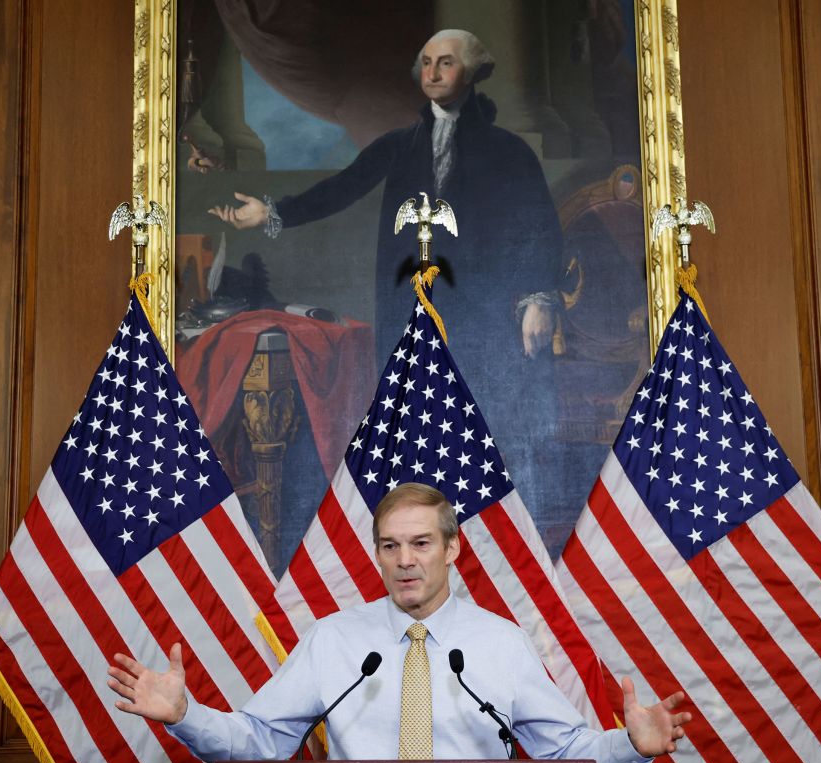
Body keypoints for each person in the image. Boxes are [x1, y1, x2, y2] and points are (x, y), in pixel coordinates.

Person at [209, 29, 566, 528]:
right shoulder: (400, 146)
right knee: (411, 433)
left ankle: (490, 544)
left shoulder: (509, 152)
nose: (433, 73)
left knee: (481, 430)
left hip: (481, 316)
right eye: (425, 62)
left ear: (473, 72)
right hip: (410, 313)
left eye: (446, 63)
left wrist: (539, 299)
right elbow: (340, 189)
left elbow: (538, 227)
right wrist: (270, 214)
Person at [109, 484, 691, 763]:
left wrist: (632, 748)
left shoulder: (501, 642)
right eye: (391, 546)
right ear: (377, 555)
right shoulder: (333, 640)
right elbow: (260, 740)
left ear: (452, 549)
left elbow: (565, 753)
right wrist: (186, 715)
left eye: (421, 543)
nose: (405, 561)